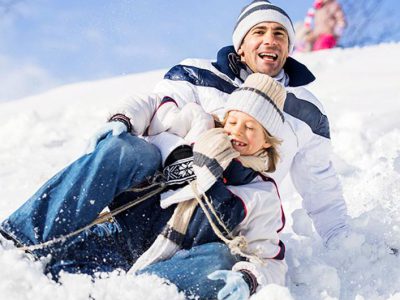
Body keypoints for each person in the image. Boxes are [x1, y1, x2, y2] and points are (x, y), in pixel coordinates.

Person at [1, 73, 288, 300]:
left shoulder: (261, 194)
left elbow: (268, 257)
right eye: (234, 120)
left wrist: (248, 278)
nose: (236, 132)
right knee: (133, 150)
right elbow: (150, 103)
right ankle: (19, 239)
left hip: (165, 269)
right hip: (115, 237)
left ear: (267, 141)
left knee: (222, 259)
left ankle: (129, 294)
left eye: (250, 128)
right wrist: (123, 120)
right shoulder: (195, 126)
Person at [100, 0, 348, 245]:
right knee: (123, 148)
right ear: (240, 45)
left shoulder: (307, 112)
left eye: (279, 34)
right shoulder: (195, 75)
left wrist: (342, 240)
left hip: (223, 224)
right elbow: (156, 112)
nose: (270, 40)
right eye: (259, 32)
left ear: (288, 48)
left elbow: (320, 185)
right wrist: (124, 121)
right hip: (159, 201)